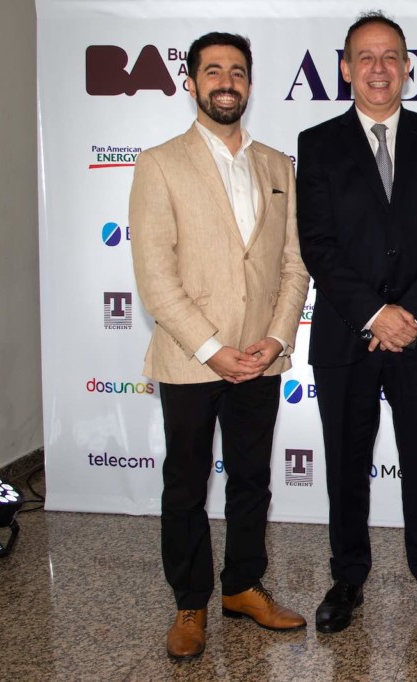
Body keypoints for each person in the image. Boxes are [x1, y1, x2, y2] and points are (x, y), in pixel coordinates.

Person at [129, 32, 310, 659]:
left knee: (252, 480)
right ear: (192, 82)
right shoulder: (159, 163)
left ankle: (242, 586)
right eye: (213, 71)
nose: (225, 81)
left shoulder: (278, 165)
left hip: (261, 357)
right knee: (185, 482)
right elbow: (155, 275)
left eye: (237, 71)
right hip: (189, 358)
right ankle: (189, 602)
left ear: (251, 84)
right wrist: (211, 349)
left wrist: (276, 338)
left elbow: (295, 267)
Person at [296, 11, 417, 632]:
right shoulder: (316, 144)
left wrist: (410, 312)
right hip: (347, 334)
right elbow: (317, 243)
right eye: (365, 57)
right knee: (346, 462)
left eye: (390, 56)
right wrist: (375, 313)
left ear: (406, 68)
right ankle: (347, 578)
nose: (378, 68)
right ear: (345, 68)